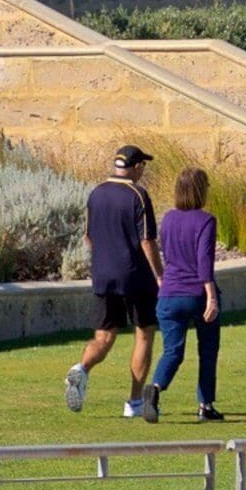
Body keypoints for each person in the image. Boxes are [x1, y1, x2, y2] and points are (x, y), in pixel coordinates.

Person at [65, 144, 161, 417]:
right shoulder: (138, 195)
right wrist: (160, 275)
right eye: (143, 166)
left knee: (104, 336)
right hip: (136, 277)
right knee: (144, 334)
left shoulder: (96, 193)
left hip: (103, 275)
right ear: (138, 167)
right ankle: (134, 402)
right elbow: (146, 240)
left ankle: (80, 368)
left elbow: (88, 237)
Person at [146, 166, 225, 422]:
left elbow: (166, 254)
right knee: (208, 349)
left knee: (172, 351)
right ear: (201, 191)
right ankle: (205, 404)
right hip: (197, 293)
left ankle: (155, 388)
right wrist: (211, 296)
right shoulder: (206, 221)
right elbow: (204, 261)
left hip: (169, 294)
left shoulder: (168, 219)